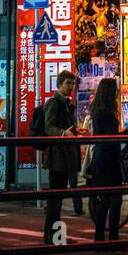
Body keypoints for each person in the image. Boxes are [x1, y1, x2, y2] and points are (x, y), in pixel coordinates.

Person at [87, 77, 127, 250]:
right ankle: (113, 240)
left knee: (103, 201)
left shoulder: (97, 111)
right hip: (109, 159)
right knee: (115, 201)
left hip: (100, 159)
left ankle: (99, 239)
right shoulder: (107, 114)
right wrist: (127, 134)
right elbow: (112, 138)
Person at [43, 71, 81, 245]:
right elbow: (48, 128)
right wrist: (64, 133)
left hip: (64, 155)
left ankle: (55, 235)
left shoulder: (66, 103)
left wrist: (75, 131)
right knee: (55, 197)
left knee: (57, 197)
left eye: (73, 84)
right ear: (59, 84)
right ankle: (53, 235)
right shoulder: (53, 103)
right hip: (57, 155)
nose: (71, 87)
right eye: (68, 84)